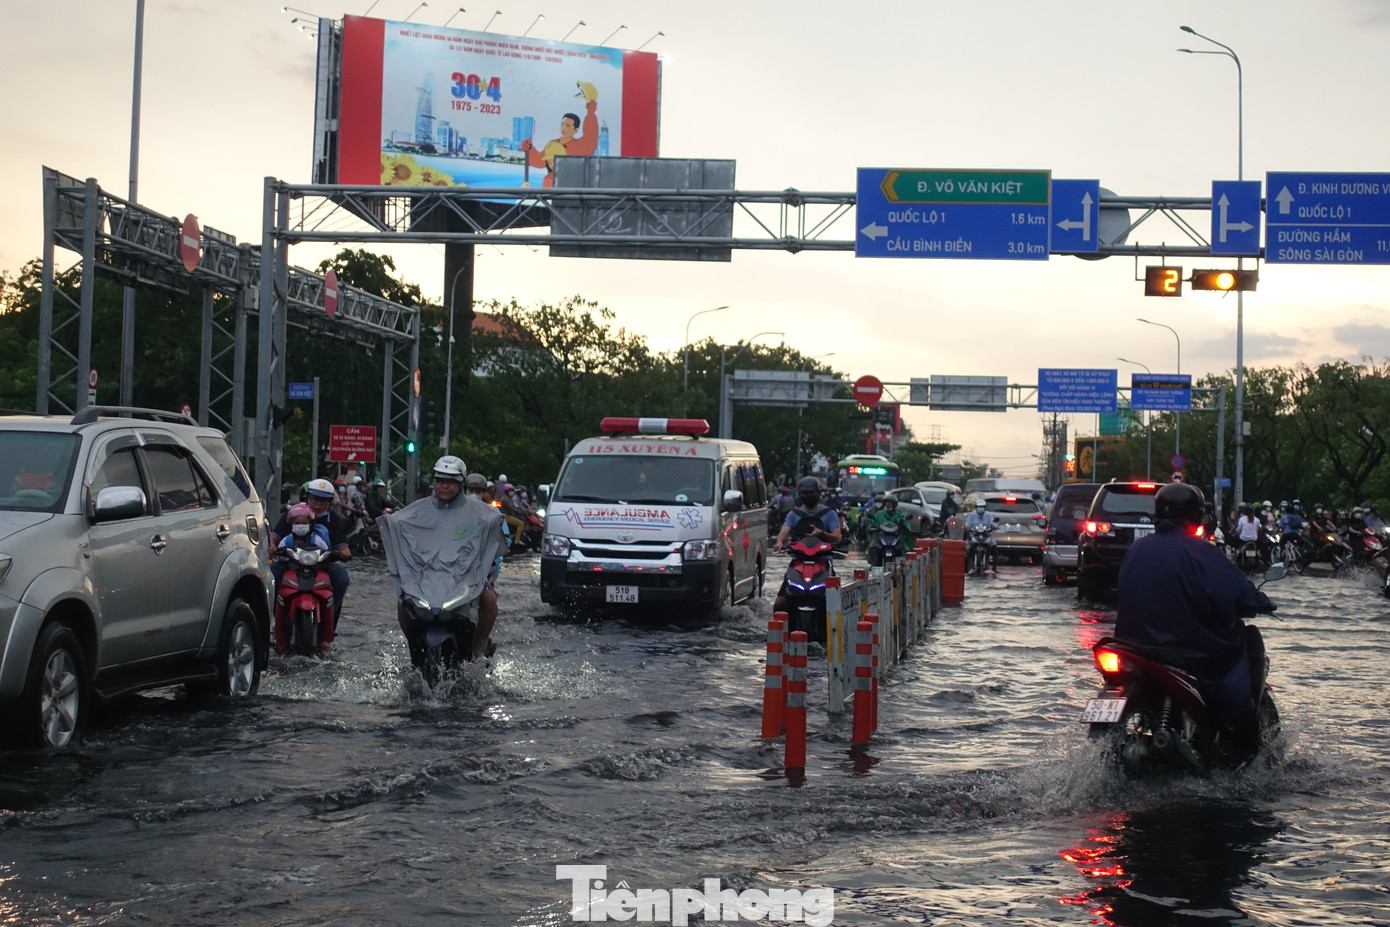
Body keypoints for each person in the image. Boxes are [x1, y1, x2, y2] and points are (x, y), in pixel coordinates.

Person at [1114, 482, 1274, 757]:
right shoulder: (1201, 552)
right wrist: (1261, 602)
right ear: (1196, 515)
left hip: (1132, 644)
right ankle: (1239, 750)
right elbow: (1235, 589)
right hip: (1188, 649)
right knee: (1231, 671)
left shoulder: (1139, 548)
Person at [387, 456, 505, 661]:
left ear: (460, 483)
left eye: (450, 481)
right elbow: (400, 527)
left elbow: (494, 539)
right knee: (403, 601)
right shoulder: (417, 511)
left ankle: (476, 650)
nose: (444, 486)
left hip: (466, 576)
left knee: (489, 600)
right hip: (428, 576)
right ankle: (412, 644)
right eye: (441, 480)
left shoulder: (482, 513)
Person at [270, 478, 351, 627]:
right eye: (314, 499)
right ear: (307, 498)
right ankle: (274, 615)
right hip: (291, 563)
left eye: (323, 500)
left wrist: (343, 553)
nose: (318, 504)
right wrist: (272, 546)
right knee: (271, 577)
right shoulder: (292, 513)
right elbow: (274, 537)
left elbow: (342, 546)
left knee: (341, 578)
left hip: (322, 565)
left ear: (330, 501)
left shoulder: (335, 519)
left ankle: (329, 617)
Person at [772, 477, 843, 615]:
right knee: (779, 603)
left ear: (818, 493)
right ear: (800, 495)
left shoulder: (829, 514)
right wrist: (779, 542)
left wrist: (821, 534)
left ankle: (833, 633)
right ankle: (778, 634)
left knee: (835, 602)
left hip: (823, 562)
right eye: (804, 493)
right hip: (798, 564)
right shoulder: (794, 514)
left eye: (811, 493)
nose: (808, 496)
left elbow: (837, 537)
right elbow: (784, 531)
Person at [519, 82, 599, 188]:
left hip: (569, 189)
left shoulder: (579, 146)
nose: (563, 128)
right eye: (562, 125)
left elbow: (591, 137)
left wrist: (590, 114)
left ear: (576, 130)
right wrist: (529, 149)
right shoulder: (552, 144)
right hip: (549, 188)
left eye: (568, 126)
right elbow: (539, 161)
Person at [867, 493, 911, 562]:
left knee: (906, 549)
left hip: (896, 536)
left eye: (890, 503)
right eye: (887, 502)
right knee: (872, 547)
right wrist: (872, 527)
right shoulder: (879, 514)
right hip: (881, 535)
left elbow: (905, 522)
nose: (888, 504)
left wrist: (905, 527)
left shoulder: (900, 514)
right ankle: (874, 564)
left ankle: (904, 565)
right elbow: (873, 522)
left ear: (894, 504)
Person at [963, 498, 997, 569]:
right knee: (967, 548)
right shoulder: (972, 515)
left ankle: (993, 567)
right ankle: (968, 566)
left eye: (982, 507)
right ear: (976, 507)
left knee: (994, 546)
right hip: (974, 534)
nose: (980, 508)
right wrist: (967, 527)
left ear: (984, 507)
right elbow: (967, 524)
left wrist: (993, 526)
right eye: (979, 507)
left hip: (986, 535)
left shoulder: (988, 515)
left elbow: (992, 523)